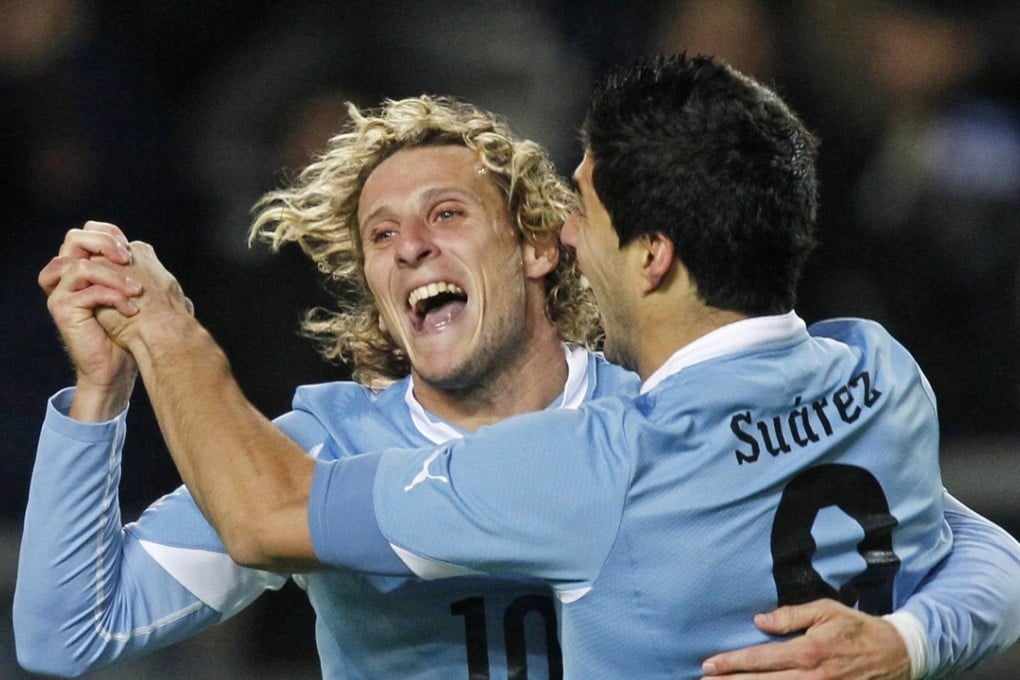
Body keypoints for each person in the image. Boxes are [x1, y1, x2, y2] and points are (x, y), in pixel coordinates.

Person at [19, 82, 1020, 677]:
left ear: (545, 245)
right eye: (380, 234)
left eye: (447, 214)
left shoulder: (656, 422)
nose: (410, 246)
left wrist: (901, 637)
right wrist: (101, 392)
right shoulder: (314, 450)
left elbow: (981, 550)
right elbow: (64, 634)